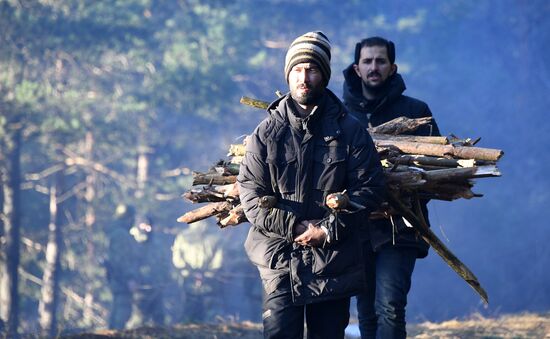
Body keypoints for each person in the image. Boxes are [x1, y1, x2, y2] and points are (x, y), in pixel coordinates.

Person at [238, 31, 386, 339]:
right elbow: (251, 194)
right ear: (288, 74)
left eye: (313, 69)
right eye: (297, 69)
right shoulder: (265, 134)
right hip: (279, 259)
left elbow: (369, 189)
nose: (304, 77)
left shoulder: (350, 132)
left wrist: (327, 230)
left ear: (325, 75)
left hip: (334, 262)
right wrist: (294, 229)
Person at [342, 36, 441, 339]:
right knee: (367, 312)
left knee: (390, 306)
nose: (374, 67)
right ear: (357, 68)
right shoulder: (339, 113)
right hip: (356, 229)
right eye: (368, 61)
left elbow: (433, 175)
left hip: (401, 228)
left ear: (392, 67)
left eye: (380, 61)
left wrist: (401, 188)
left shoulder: (415, 112)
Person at [106, 204, 139, 330]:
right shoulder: (121, 236)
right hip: (122, 280)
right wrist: (130, 278)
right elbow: (123, 260)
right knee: (122, 311)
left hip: (117, 279)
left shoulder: (115, 233)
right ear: (129, 218)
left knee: (117, 309)